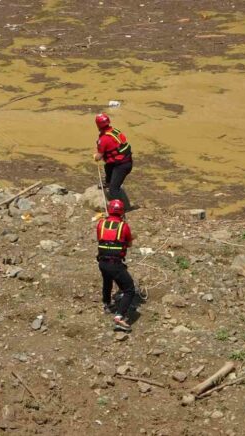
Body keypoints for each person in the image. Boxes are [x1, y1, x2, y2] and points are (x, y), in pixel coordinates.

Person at [96, 199, 135, 332]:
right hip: (115, 264)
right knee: (129, 289)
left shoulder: (101, 224)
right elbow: (129, 244)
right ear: (122, 212)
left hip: (102, 262)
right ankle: (119, 317)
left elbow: (102, 238)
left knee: (107, 281)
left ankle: (107, 304)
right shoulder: (124, 226)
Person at [93, 113, 132, 210]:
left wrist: (95, 156)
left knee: (113, 190)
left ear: (98, 125)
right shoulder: (115, 131)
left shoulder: (104, 139)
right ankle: (108, 182)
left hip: (121, 165)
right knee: (108, 167)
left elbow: (99, 156)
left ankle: (118, 210)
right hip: (124, 161)